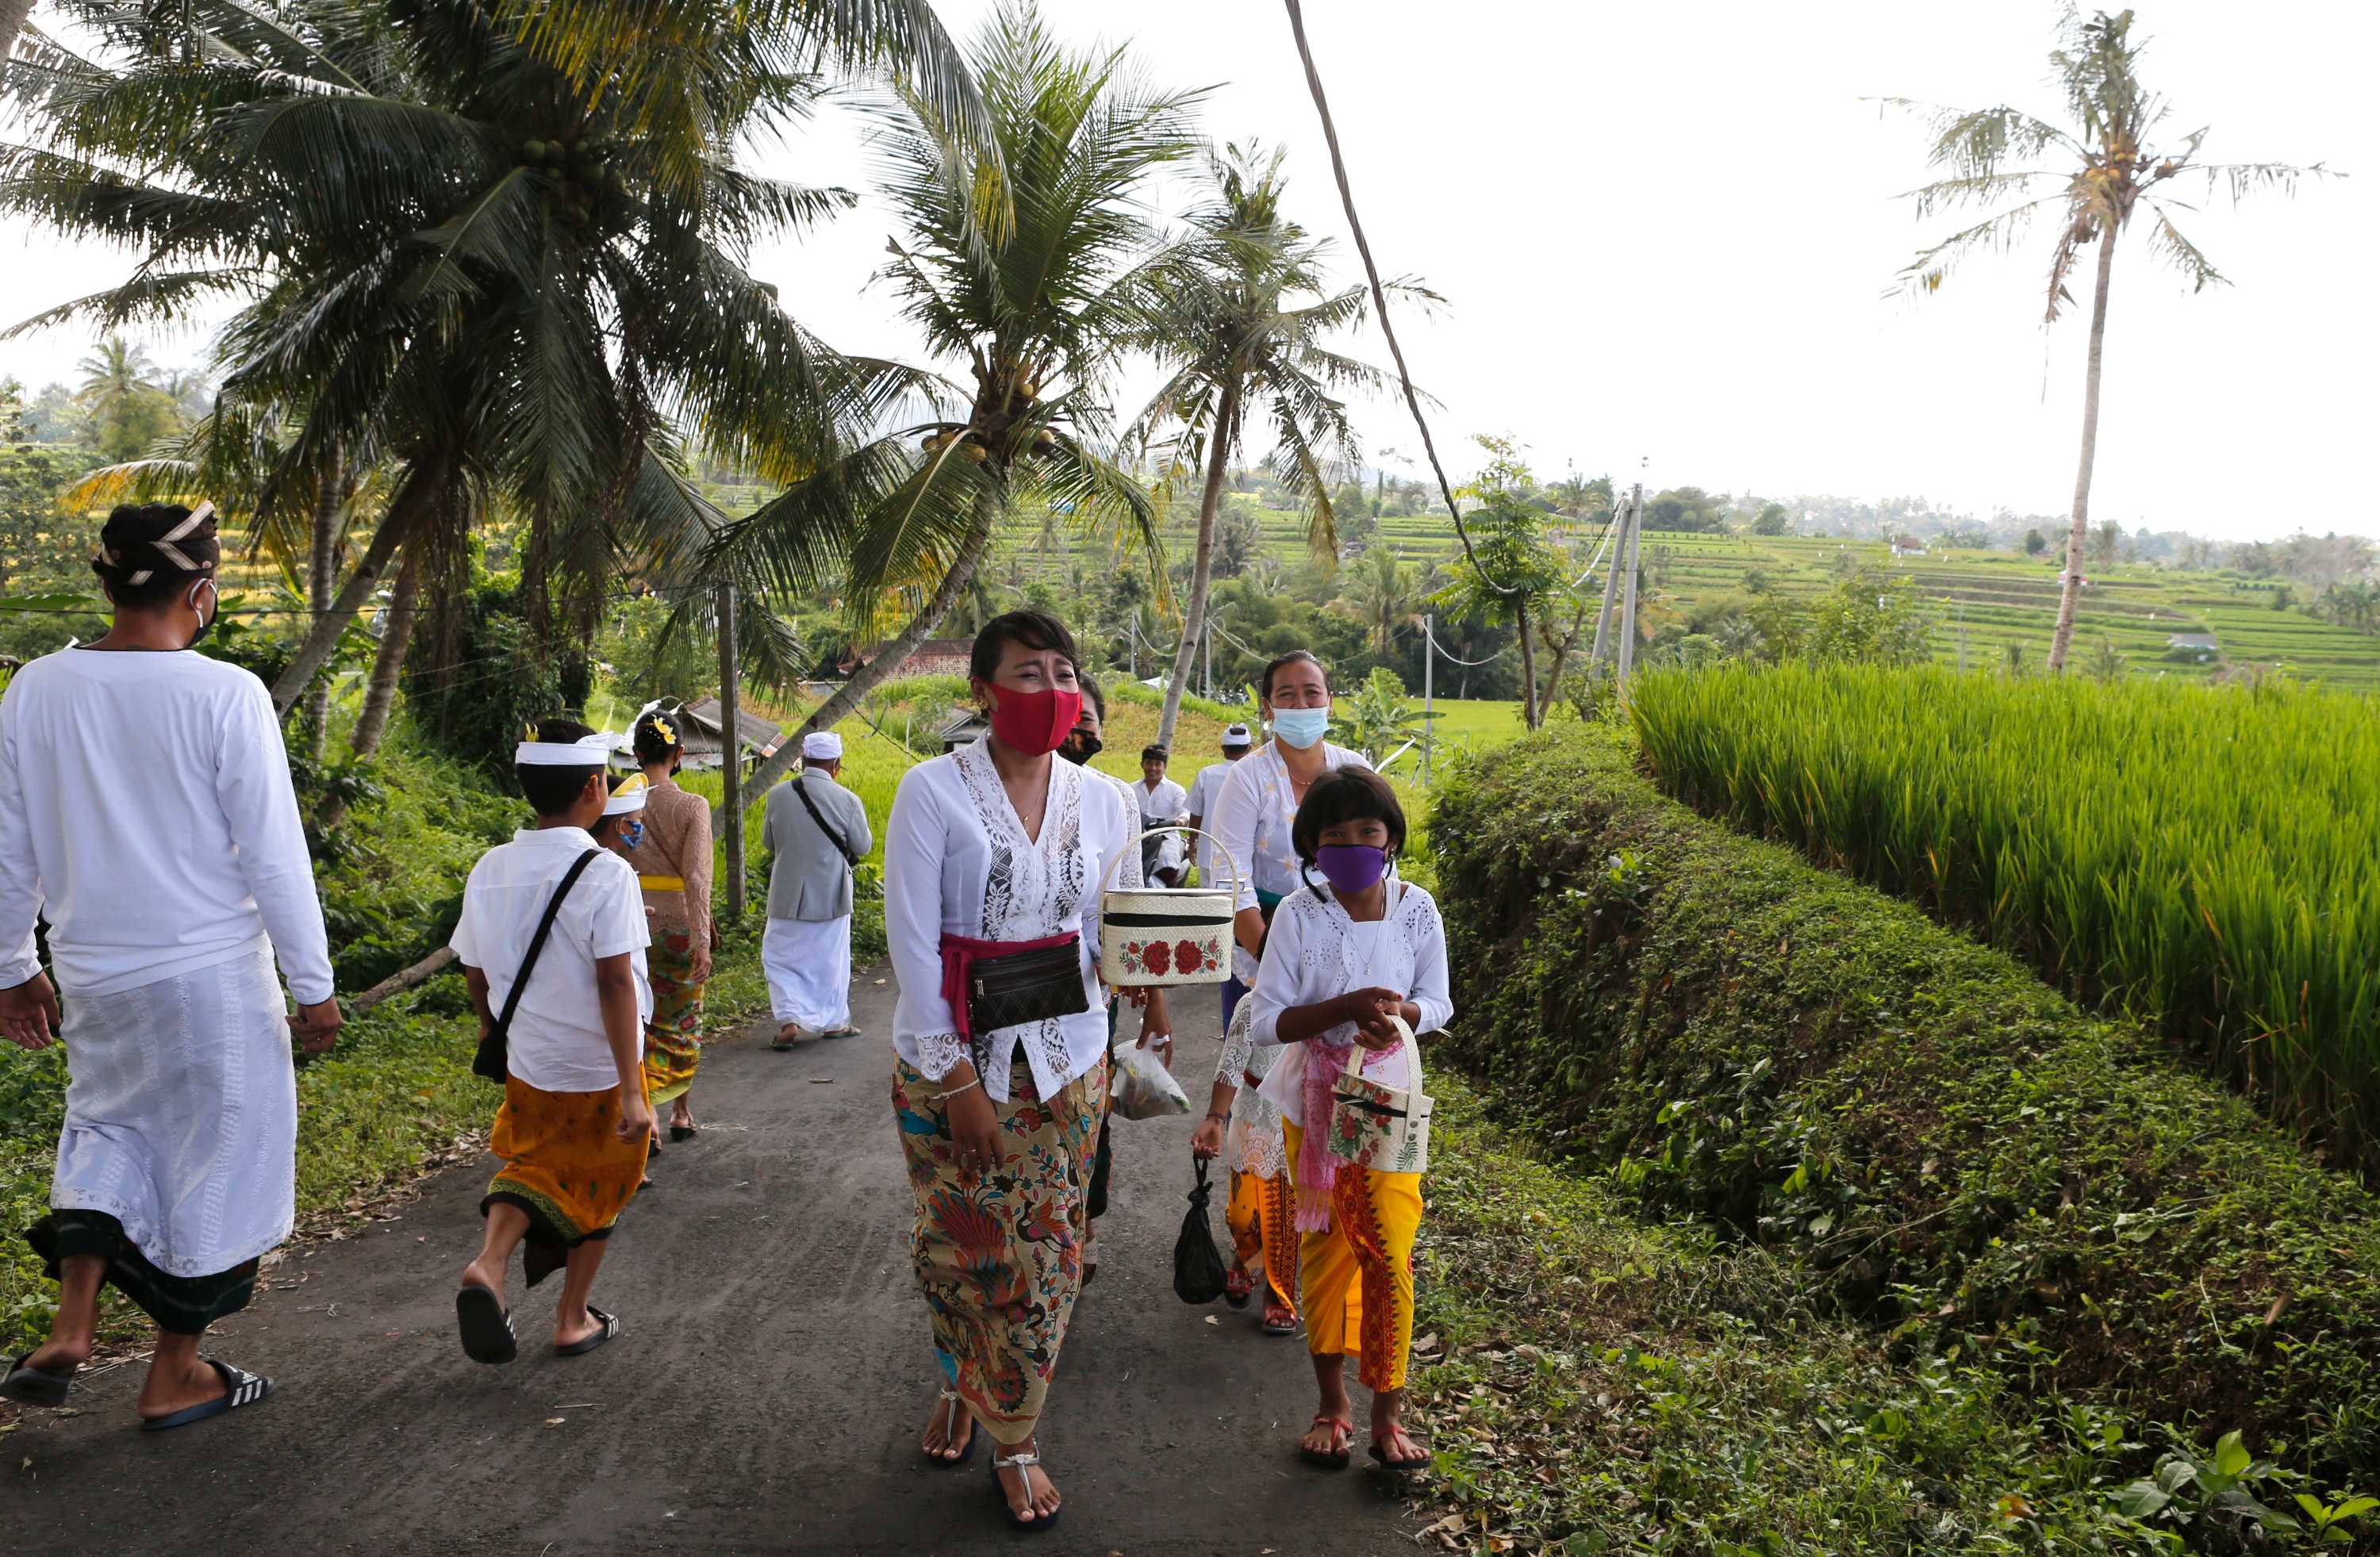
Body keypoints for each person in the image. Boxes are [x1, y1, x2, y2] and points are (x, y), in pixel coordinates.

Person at [0, 501, 339, 1430]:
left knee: (105, 1135)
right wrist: (314, 988)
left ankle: (72, 1324)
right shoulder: (224, 692)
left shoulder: (34, 689)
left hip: (96, 980)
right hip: (212, 981)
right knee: (222, 1163)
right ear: (202, 590)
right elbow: (273, 855)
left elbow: (7, 845)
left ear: (107, 584)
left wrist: (10, 964)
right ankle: (175, 1373)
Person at [883, 611, 1135, 1532]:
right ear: (982, 690)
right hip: (952, 1056)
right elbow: (911, 948)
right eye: (1027, 672)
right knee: (965, 1243)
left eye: (1063, 670)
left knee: (1052, 1250)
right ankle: (962, 1378)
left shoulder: (1107, 800)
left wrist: (1149, 991)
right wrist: (959, 1085)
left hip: (1069, 1059)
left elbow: (1110, 928)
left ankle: (1013, 1431)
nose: (1050, 689)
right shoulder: (930, 791)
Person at [1246, 766, 1449, 1475]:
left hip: (1389, 1102)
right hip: (1318, 1103)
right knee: (1327, 1254)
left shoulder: (1417, 908)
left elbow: (1440, 1001)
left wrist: (1399, 1016)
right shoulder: (1300, 914)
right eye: (1335, 834)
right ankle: (1331, 1407)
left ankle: (1388, 1417)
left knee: (1390, 1252)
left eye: (1368, 830)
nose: (1354, 844)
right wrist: (1345, 1006)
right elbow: (1269, 1021)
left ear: (1390, 837)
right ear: (1312, 845)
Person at [450, 721, 654, 1363]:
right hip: (598, 1065)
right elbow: (617, 981)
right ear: (596, 786)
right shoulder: (606, 872)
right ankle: (571, 1318)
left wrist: (491, 1028)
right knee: (602, 1181)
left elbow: (474, 970)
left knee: (534, 1163)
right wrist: (630, 1089)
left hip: (531, 1062)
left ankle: (490, 1261)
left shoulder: (491, 867)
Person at [1058, 678, 1169, 1285]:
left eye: (1089, 719)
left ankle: (1086, 1220)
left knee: (1089, 1113)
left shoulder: (1112, 798)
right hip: (1004, 997)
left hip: (1090, 994)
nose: (1080, 732)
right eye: (1070, 718)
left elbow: (1127, 904)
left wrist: (1153, 998)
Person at [1207, 651, 1370, 1030]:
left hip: (1348, 962)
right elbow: (1231, 880)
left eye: (1312, 693)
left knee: (1340, 1078)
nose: (1301, 704)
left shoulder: (1356, 770)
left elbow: (1382, 865)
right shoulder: (1247, 778)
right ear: (1268, 707)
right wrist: (1276, 961)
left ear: (1330, 702)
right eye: (1286, 695)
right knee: (1266, 1078)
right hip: (1262, 959)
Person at [620, 707, 713, 1144]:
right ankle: (677, 1111)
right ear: (679, 755)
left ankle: (648, 1115)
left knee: (640, 1022)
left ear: (637, 753)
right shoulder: (691, 806)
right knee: (682, 1021)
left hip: (630, 926)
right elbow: (696, 878)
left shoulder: (616, 804)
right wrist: (701, 939)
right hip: (677, 927)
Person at [1190, 999, 1298, 1336]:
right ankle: (1246, 1256)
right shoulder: (1253, 1005)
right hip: (1255, 1114)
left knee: (1286, 1215)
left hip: (1303, 1119)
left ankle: (1278, 1293)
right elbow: (1232, 1061)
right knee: (1243, 1215)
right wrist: (1215, 1118)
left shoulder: (1328, 1001)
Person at [762, 731, 873, 1048]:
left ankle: (790, 1018)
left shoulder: (778, 795)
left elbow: (769, 843)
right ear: (836, 765)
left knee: (780, 958)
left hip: (786, 895)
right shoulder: (848, 800)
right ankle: (835, 1023)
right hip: (832, 895)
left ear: (803, 761)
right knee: (830, 960)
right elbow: (862, 846)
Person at [1182, 722, 1254, 895]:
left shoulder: (1207, 774)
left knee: (1210, 898)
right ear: (1250, 748)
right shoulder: (1255, 774)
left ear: (1223, 749)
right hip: (1247, 853)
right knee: (1242, 897)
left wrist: (1192, 842)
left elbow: (1196, 813)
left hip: (1210, 850)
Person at [1134, 745, 1188, 884]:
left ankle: (1169, 896)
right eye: (1149, 763)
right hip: (1137, 838)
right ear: (1142, 765)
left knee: (1167, 860)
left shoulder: (1175, 790)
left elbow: (1185, 811)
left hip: (1166, 836)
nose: (1153, 768)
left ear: (1165, 767)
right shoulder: (1131, 789)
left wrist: (1181, 820)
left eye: (1157, 764)